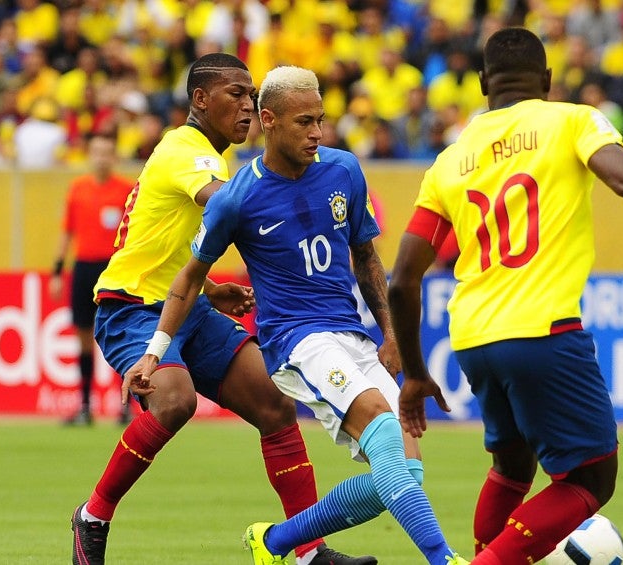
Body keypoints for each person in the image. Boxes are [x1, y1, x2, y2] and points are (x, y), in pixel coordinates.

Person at [124, 65, 468, 565]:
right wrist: (154, 354)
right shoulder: (237, 197)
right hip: (298, 343)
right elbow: (189, 277)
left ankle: (276, 542)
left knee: (404, 472)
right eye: (304, 122)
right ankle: (445, 559)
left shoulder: (344, 170)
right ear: (269, 120)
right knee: (385, 432)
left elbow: (366, 258)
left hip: (352, 336)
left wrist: (390, 334)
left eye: (321, 121)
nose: (317, 133)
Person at [388, 27, 623, 565]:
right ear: (549, 81)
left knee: (513, 467)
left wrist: (415, 372)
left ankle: (482, 554)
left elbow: (401, 280)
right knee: (592, 478)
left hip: (473, 336)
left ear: (484, 83)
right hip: (543, 331)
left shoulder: (450, 159)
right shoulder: (571, 119)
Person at [70, 53, 374, 565]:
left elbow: (166, 240)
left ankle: (307, 550)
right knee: (174, 400)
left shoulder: (207, 153)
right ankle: (92, 517)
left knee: (275, 405)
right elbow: (227, 204)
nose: (248, 105)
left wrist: (209, 288)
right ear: (199, 99)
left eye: (252, 95)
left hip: (183, 305)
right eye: (236, 93)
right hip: (130, 308)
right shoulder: (187, 149)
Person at [49, 132, 135, 426]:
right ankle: (85, 406)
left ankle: (125, 406)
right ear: (90, 155)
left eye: (107, 152)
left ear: (114, 156)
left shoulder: (126, 190)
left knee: (121, 336)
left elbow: (134, 234)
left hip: (113, 269)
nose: (101, 158)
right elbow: (66, 232)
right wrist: (58, 271)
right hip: (84, 268)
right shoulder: (78, 189)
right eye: (96, 152)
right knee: (84, 336)